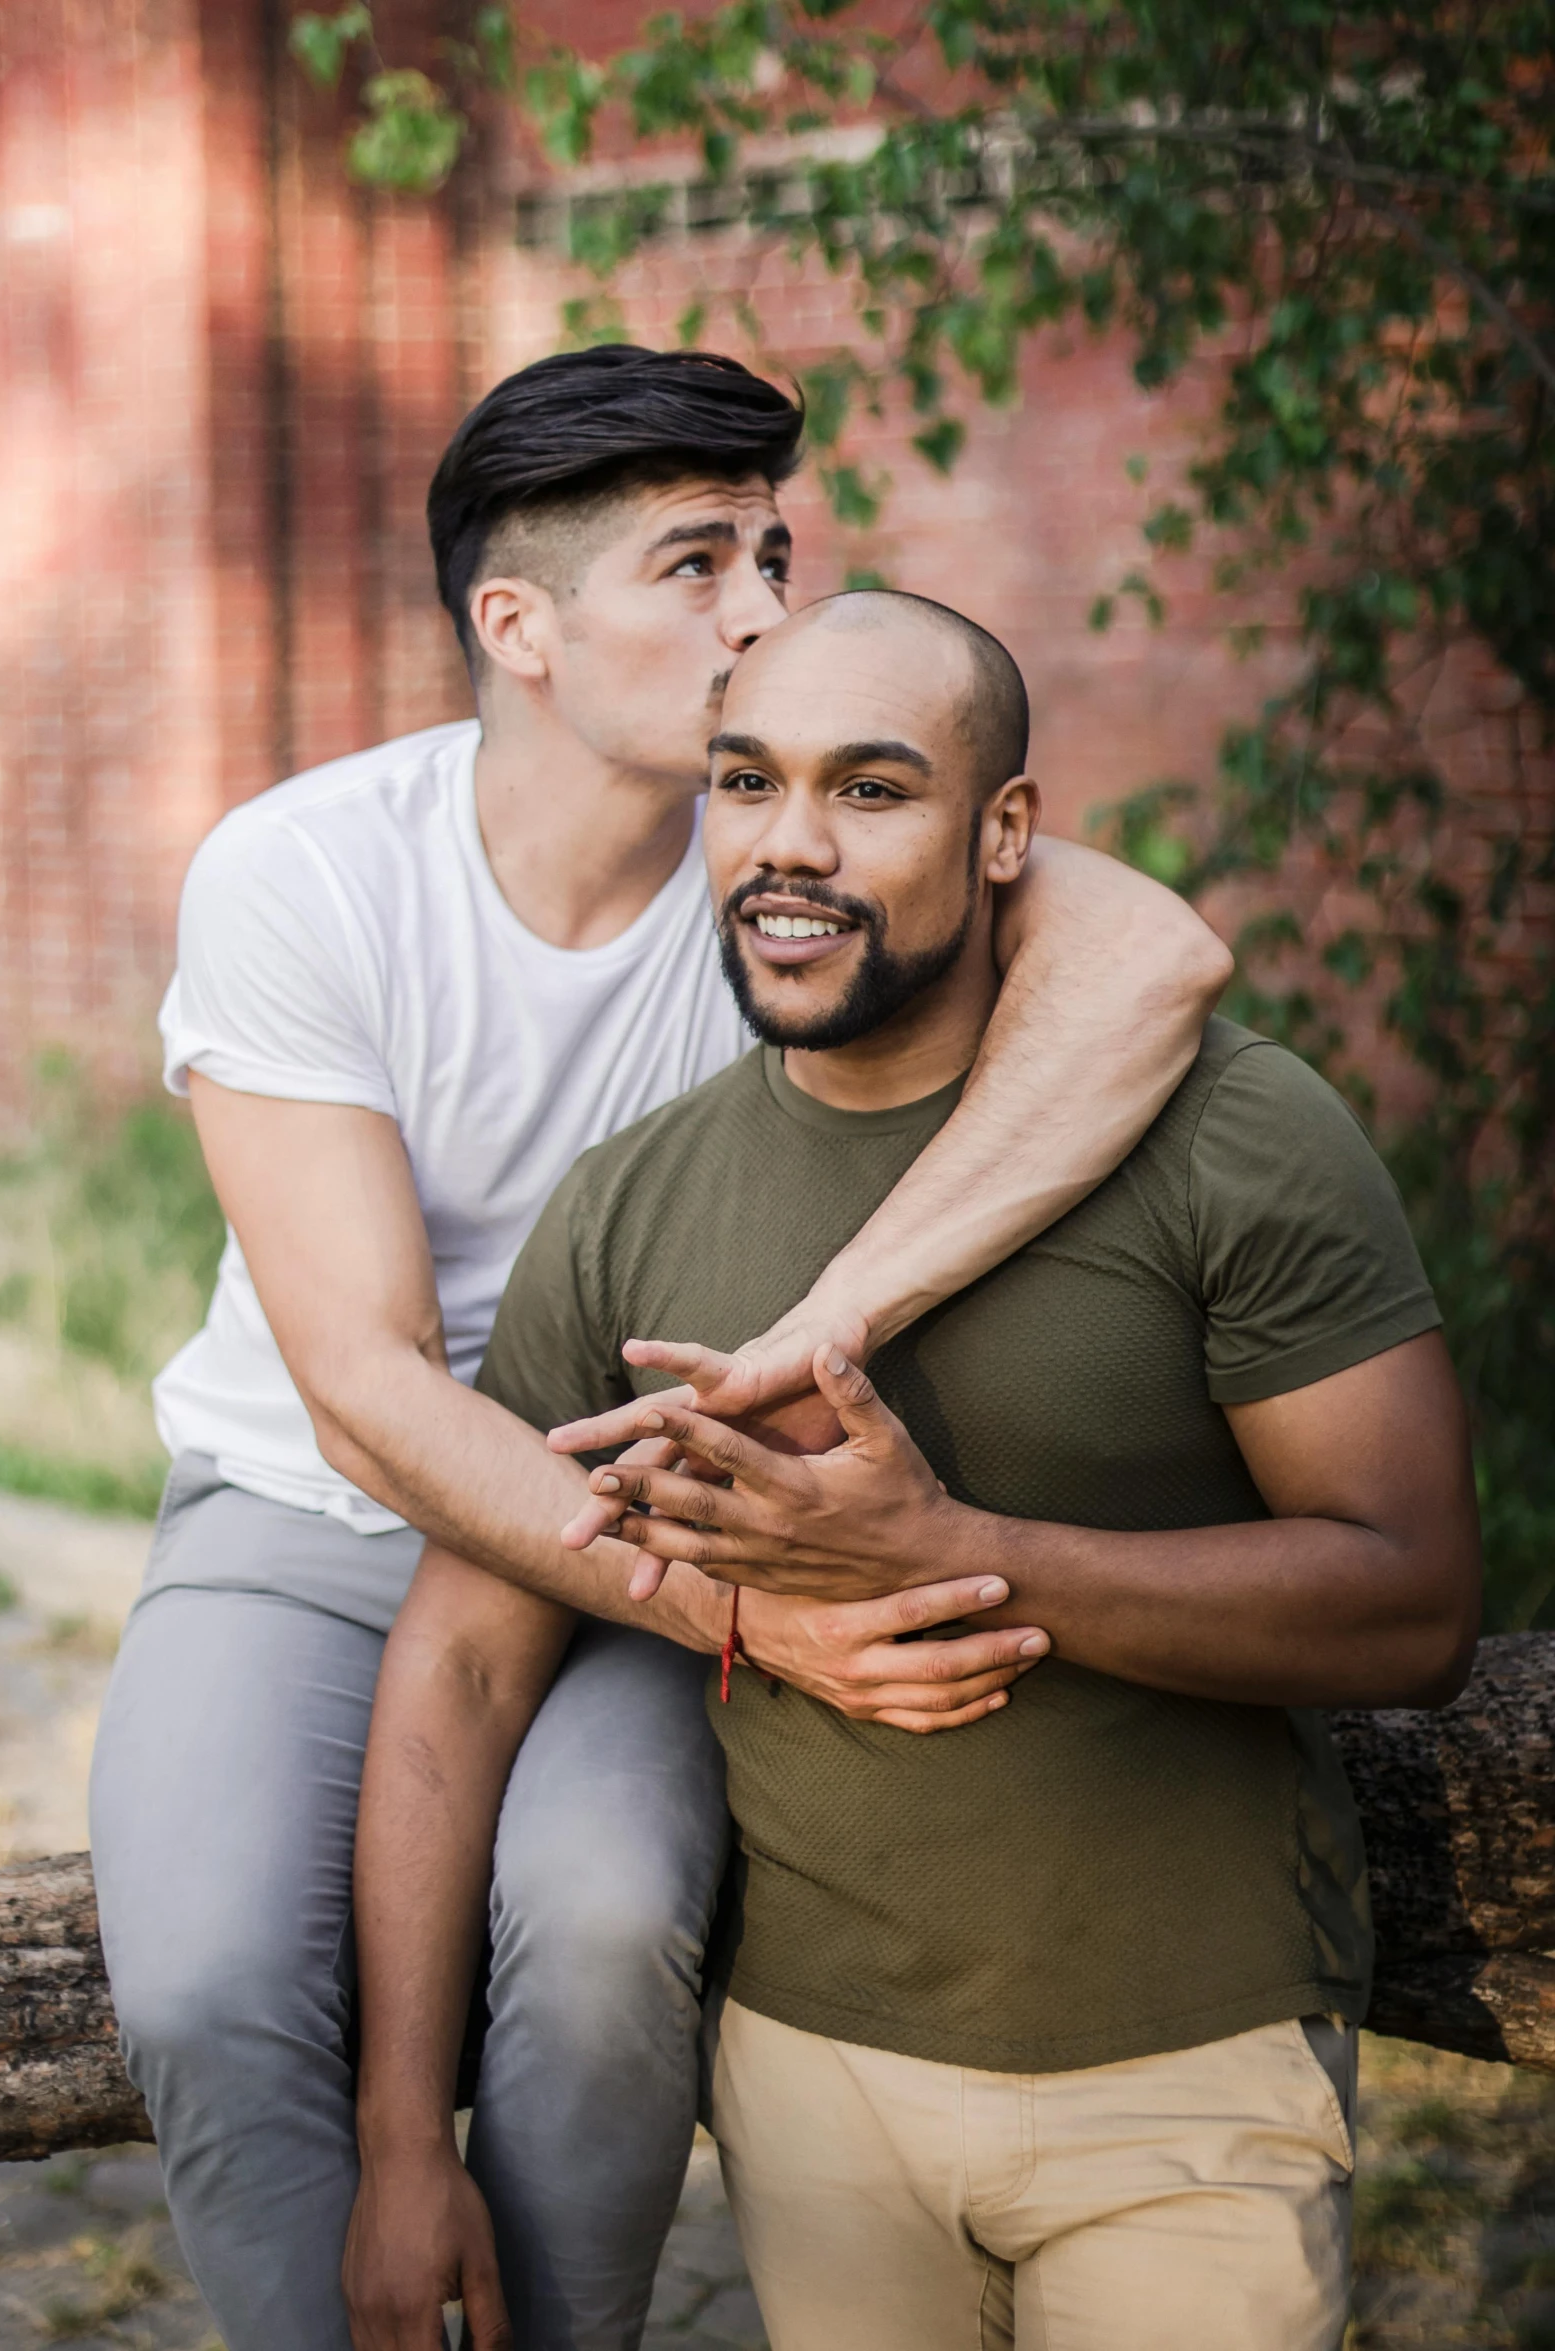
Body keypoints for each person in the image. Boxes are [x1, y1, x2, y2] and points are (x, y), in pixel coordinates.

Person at [88, 347, 1229, 2351]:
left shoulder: (794, 888)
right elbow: (360, 1384)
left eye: (775, 552)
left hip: (632, 1522)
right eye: (699, 563)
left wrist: (824, 1326)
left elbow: (1158, 953)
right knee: (193, 1981)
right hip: (301, 1518)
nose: (769, 611)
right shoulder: (308, 870)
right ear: (516, 627)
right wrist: (749, 1608)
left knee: (612, 1921)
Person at [381, 588, 1482, 2350]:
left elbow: (1412, 1599)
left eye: (870, 791)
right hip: (811, 2087)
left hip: (1185, 2077)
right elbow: (458, 1656)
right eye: (746, 782)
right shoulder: (630, 1200)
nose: (787, 846)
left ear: (1005, 834)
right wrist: (395, 2145)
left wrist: (949, 1547)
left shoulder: (1236, 1131)